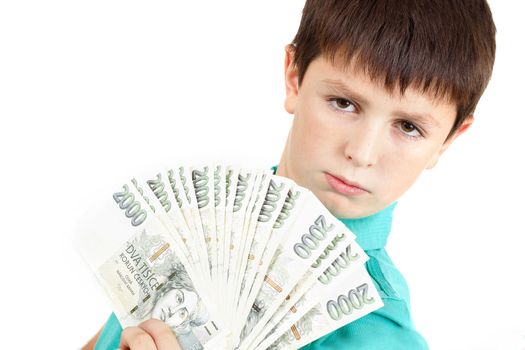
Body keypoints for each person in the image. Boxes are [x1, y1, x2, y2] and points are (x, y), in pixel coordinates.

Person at [82, 0, 496, 349]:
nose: (361, 153)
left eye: (408, 127)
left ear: (447, 140)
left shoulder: (379, 329)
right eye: (343, 103)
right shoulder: (195, 226)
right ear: (294, 77)